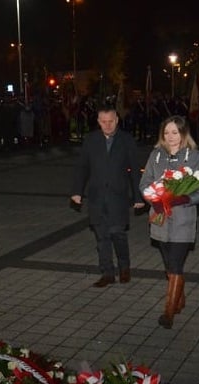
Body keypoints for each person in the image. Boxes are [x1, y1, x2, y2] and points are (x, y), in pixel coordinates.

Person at [140, 115, 199, 328]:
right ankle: (179, 300)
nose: (170, 137)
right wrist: (153, 199)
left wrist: (186, 198)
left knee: (176, 264)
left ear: (183, 133)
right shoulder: (156, 155)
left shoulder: (195, 157)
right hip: (160, 220)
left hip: (182, 220)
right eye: (166, 132)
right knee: (169, 266)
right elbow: (144, 182)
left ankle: (168, 313)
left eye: (175, 132)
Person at [71, 104, 145, 287]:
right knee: (102, 237)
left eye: (111, 121)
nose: (108, 125)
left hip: (118, 197)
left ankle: (124, 267)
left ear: (117, 120)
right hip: (96, 197)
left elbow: (135, 170)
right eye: (103, 122)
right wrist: (77, 191)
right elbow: (82, 167)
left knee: (117, 233)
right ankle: (107, 273)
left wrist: (138, 197)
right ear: (98, 121)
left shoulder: (126, 140)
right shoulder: (91, 140)